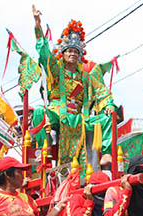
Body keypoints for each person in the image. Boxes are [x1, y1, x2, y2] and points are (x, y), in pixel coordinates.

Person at [32, 5, 118, 173]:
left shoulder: (86, 77)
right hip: (58, 113)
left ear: (80, 55)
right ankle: (44, 148)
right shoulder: (56, 70)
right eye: (69, 51)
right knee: (38, 113)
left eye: (76, 51)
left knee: (109, 117)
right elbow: (44, 53)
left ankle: (107, 153)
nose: (72, 54)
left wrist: (108, 105)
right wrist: (37, 24)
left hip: (81, 117)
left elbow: (102, 92)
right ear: (63, 53)